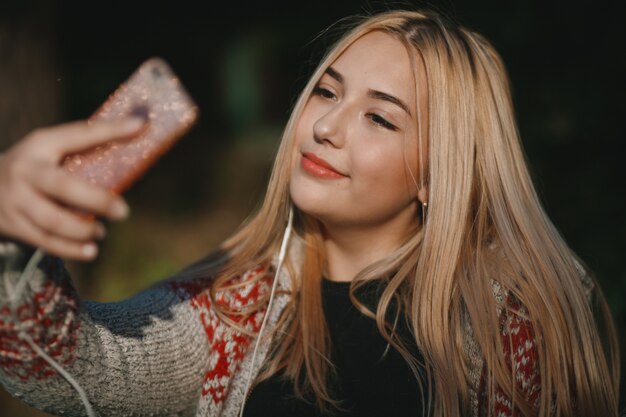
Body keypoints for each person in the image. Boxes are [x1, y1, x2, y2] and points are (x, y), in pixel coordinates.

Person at [0, 8, 620, 417]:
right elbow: (64, 367)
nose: (324, 125)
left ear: (438, 172)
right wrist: (12, 239)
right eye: (327, 90)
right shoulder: (236, 307)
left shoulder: (517, 317)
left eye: (379, 117)